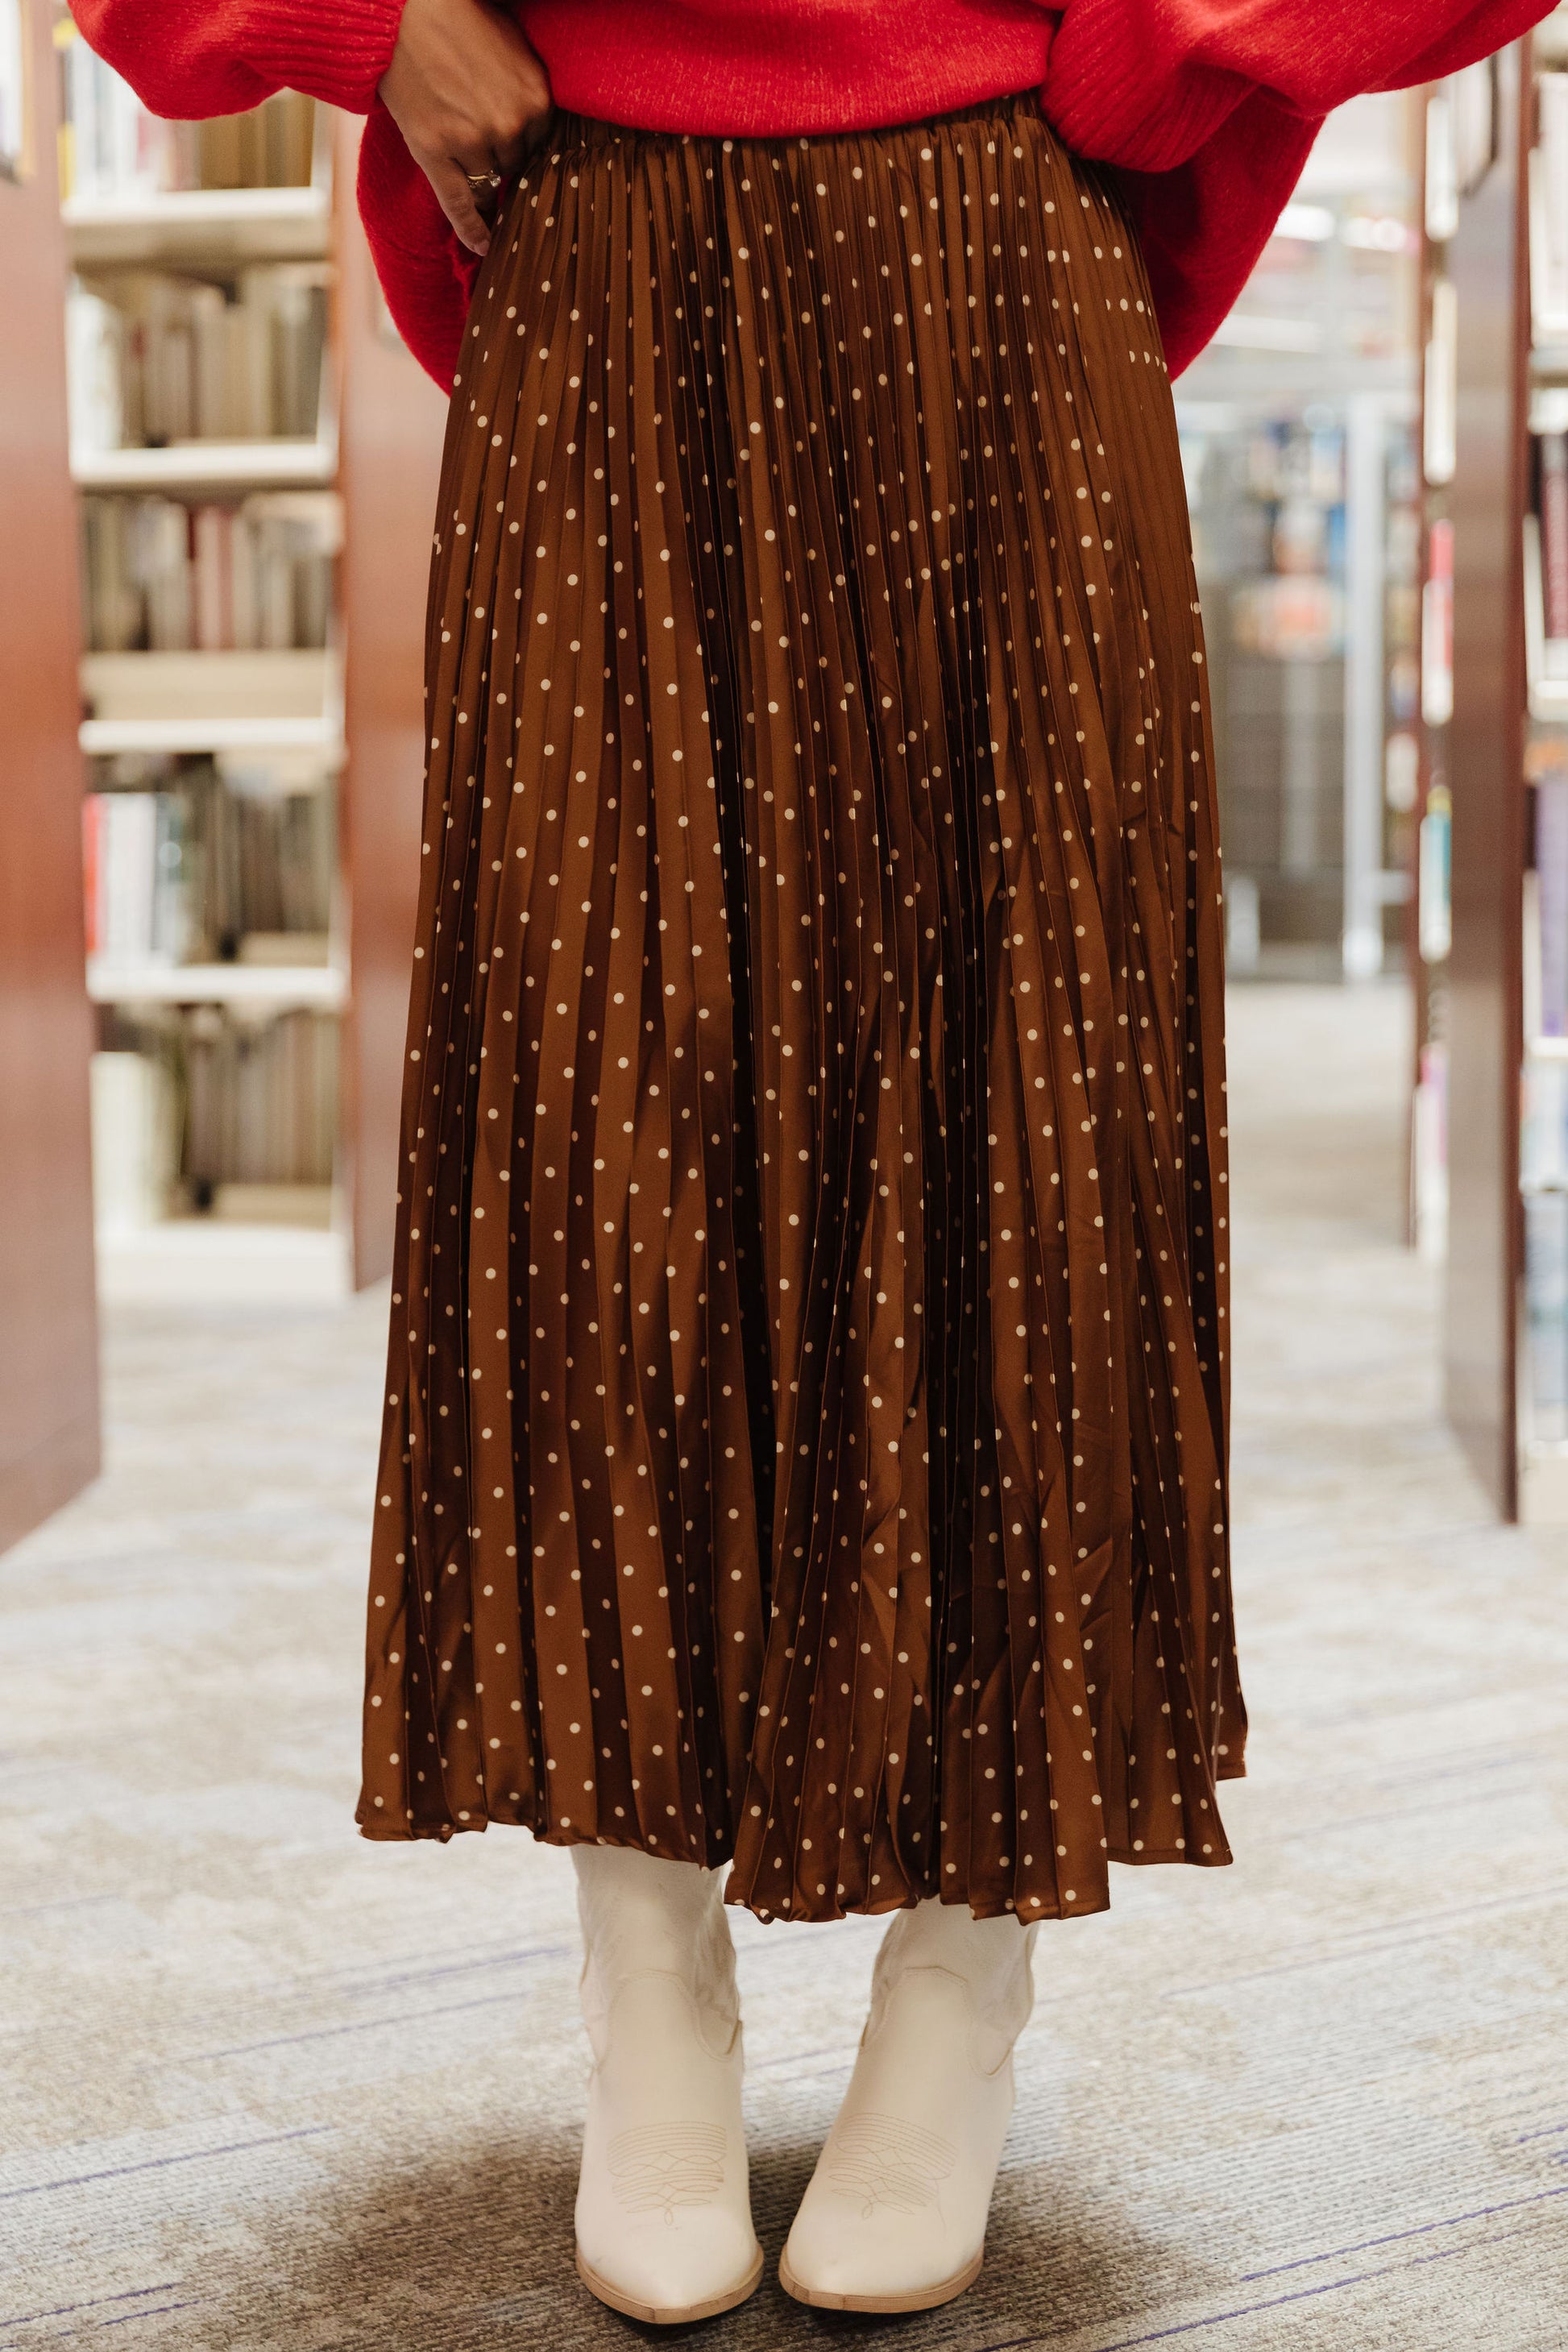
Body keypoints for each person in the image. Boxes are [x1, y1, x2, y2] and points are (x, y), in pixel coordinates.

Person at [77, 0, 1550, 2324]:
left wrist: (1175, 40)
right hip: (595, 253)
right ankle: (643, 1981)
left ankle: (967, 1973)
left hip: (1001, 254)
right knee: (598, 1128)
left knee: (1018, 1123)